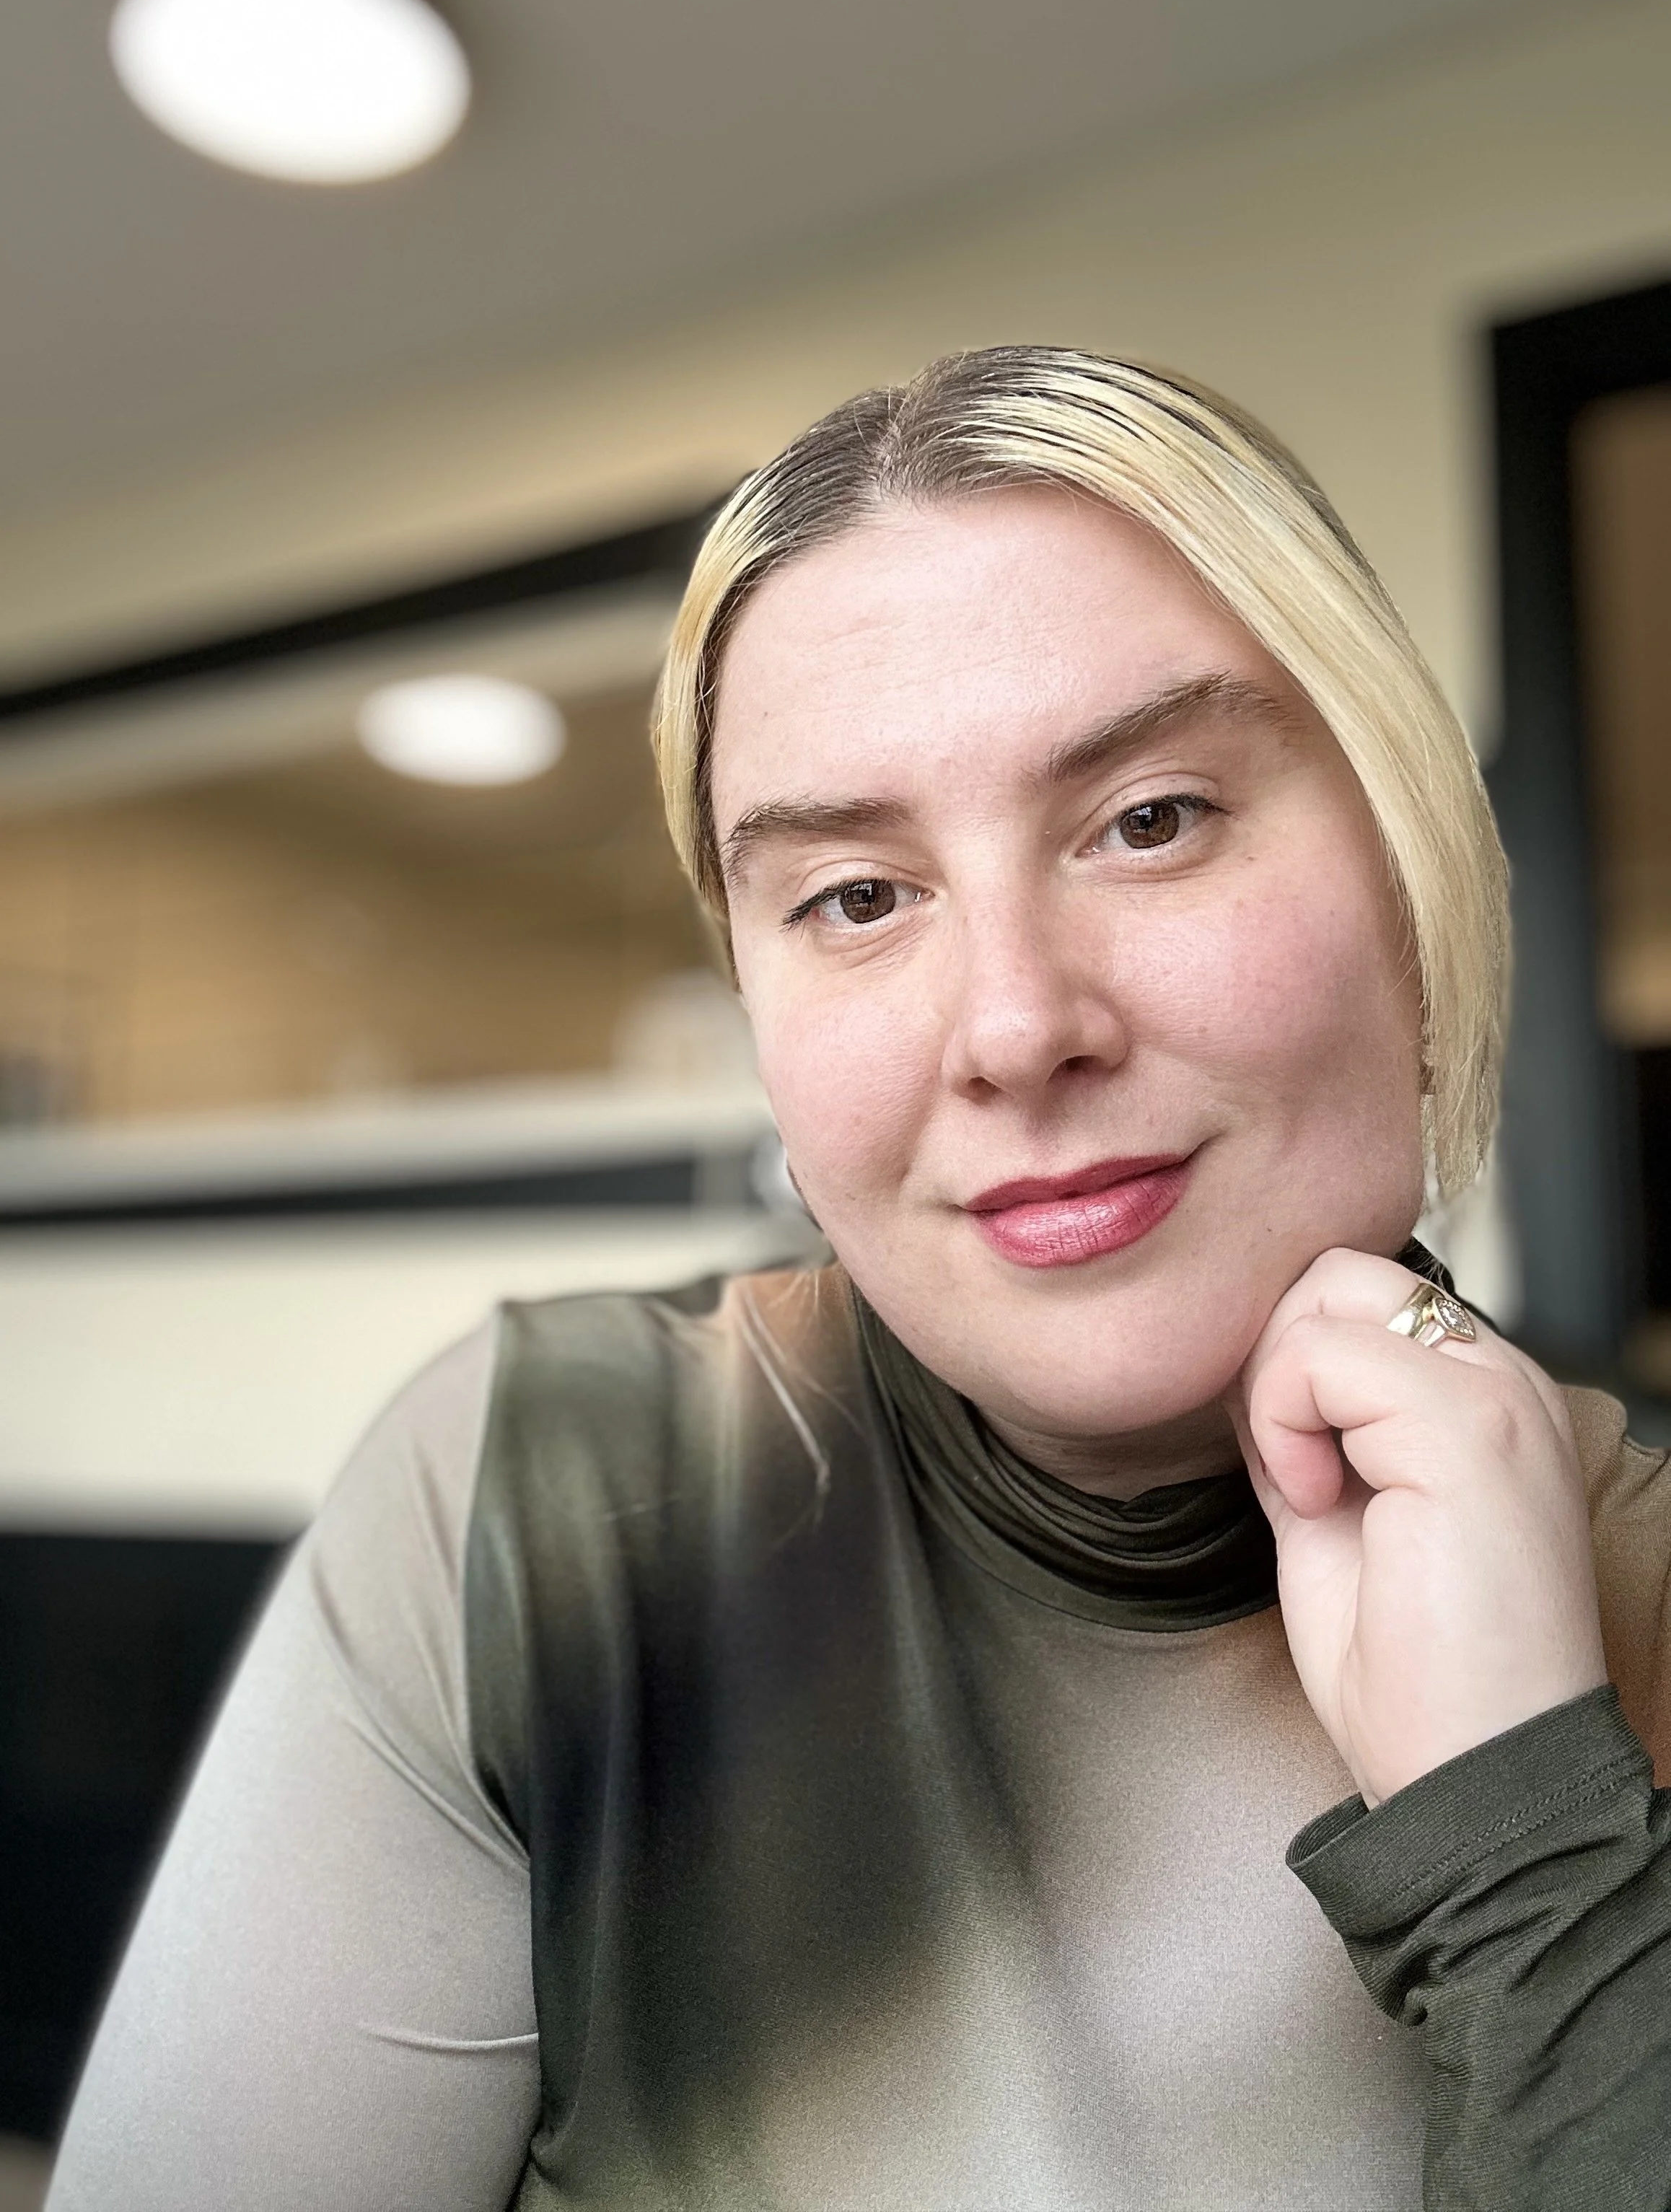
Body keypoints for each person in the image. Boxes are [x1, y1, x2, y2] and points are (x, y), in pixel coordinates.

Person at [46, 348, 1671, 2212]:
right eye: (854, 897)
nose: (1011, 1025)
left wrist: (1531, 1865)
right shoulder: (549, 1502)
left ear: (1409, 863)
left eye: (1149, 818)